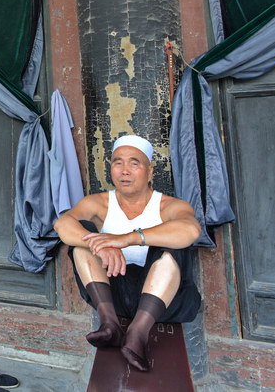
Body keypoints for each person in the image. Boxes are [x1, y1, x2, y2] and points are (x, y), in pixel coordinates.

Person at [53, 135, 202, 372]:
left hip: (164, 304)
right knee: (83, 237)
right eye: (118, 163)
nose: (125, 171)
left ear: (150, 171)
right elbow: (62, 224)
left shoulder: (170, 206)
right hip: (113, 299)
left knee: (175, 241)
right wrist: (103, 245)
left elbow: (191, 230)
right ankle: (110, 324)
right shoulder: (98, 203)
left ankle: (137, 334)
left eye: (134, 163)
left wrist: (126, 238)